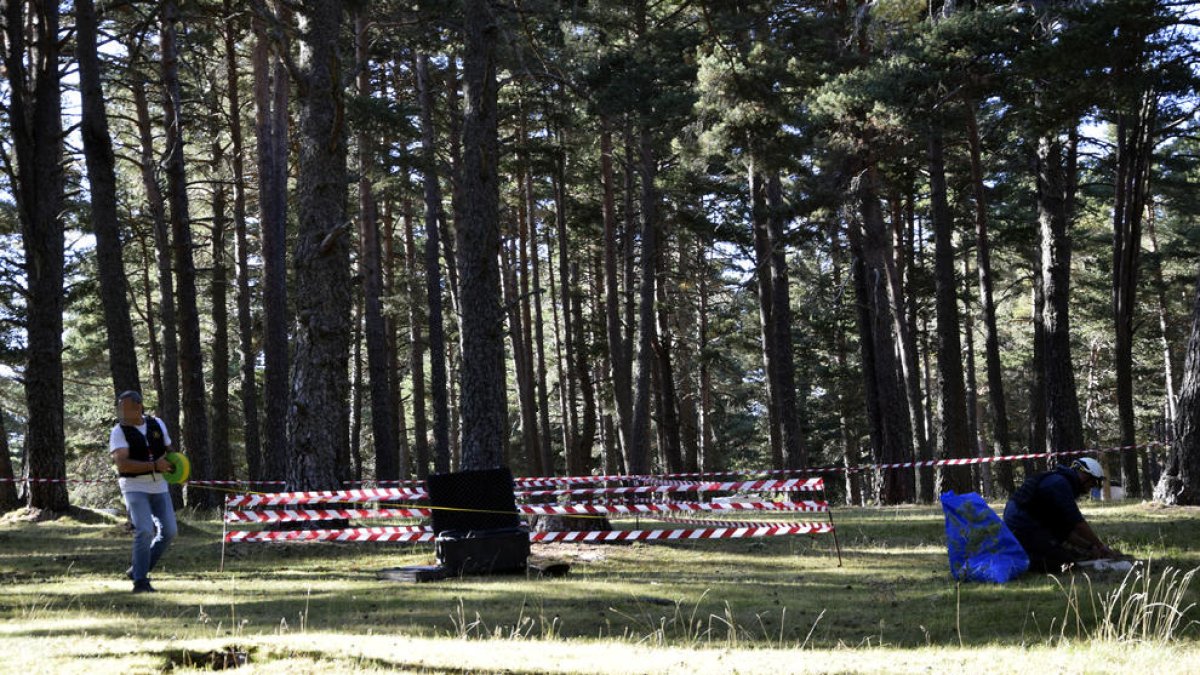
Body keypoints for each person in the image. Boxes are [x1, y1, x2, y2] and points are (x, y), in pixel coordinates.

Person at [109, 390, 178, 593]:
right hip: (134, 487)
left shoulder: (157, 424)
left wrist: (178, 468)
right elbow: (123, 465)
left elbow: (170, 451)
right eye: (119, 407)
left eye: (125, 407)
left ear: (138, 407)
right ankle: (140, 582)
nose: (121, 411)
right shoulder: (118, 431)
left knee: (170, 531)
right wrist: (154, 466)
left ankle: (138, 569)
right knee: (145, 530)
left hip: (159, 486)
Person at [1003, 457, 1120, 574]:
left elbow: (1063, 531)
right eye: (1093, 482)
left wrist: (1090, 547)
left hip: (1027, 521)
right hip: (1021, 521)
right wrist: (1100, 546)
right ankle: (1025, 562)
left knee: (1068, 557)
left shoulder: (1061, 482)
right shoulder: (1060, 484)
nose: (1091, 488)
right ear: (1085, 475)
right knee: (1064, 564)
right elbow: (1078, 523)